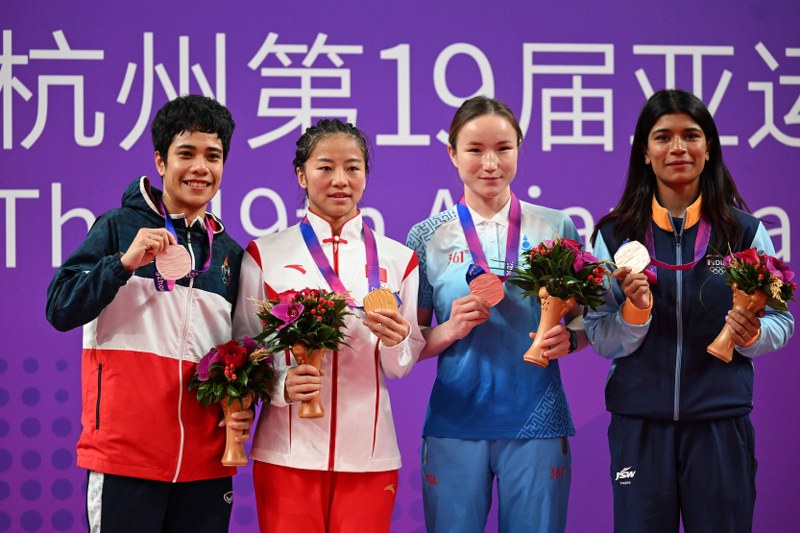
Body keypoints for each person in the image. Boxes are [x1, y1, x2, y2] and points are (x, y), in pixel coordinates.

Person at [585, 88, 794, 533]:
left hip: (720, 424)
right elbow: (600, 332)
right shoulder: (614, 235)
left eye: (691, 135)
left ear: (709, 146)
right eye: (663, 137)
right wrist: (635, 314)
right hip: (639, 427)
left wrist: (752, 334)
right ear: (645, 150)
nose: (678, 148)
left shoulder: (744, 232)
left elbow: (782, 319)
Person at [46, 95, 253, 533]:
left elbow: (243, 353)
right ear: (160, 161)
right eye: (186, 154)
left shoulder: (230, 255)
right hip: (126, 457)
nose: (200, 167)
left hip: (207, 464)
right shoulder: (117, 228)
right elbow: (60, 308)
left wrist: (244, 400)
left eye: (212, 156)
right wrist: (121, 264)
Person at [405, 95, 589, 533]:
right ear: (452, 154)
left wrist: (574, 338)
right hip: (455, 422)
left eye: (503, 148)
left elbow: (586, 319)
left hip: (537, 422)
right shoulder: (427, 237)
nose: (490, 163)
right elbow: (407, 344)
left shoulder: (557, 228)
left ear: (519, 150)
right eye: (474, 150)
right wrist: (449, 330)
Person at [233, 119, 425, 533]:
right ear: (301, 175)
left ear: (366, 175)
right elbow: (243, 351)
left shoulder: (399, 260)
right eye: (325, 167)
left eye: (353, 167)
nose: (340, 180)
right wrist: (280, 384)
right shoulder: (265, 255)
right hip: (287, 454)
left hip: (370, 454)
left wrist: (398, 341)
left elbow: (400, 365)